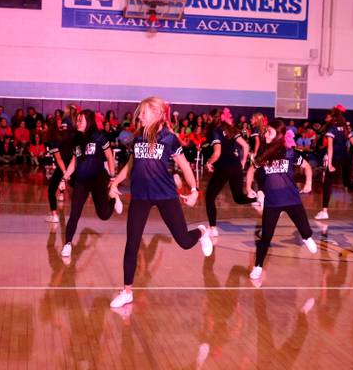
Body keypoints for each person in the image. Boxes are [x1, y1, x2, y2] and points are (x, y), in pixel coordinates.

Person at [108, 97, 213, 308]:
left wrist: (194, 190)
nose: (139, 116)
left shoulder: (169, 138)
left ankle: (202, 232)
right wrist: (115, 182)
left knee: (184, 241)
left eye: (144, 113)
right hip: (140, 196)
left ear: (157, 114)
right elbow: (130, 165)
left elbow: (184, 166)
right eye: (139, 113)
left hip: (165, 195)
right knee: (132, 243)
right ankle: (127, 291)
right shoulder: (137, 138)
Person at [247, 120, 317, 282]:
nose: (265, 134)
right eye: (266, 132)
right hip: (272, 202)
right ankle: (257, 266)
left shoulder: (290, 153)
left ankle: (307, 237)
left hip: (292, 199)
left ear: (279, 135)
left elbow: (307, 166)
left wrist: (308, 183)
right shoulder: (263, 154)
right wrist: (249, 187)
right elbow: (251, 170)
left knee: (306, 231)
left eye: (269, 132)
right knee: (266, 237)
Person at [60, 109, 121, 258]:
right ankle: (67, 243)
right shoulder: (76, 139)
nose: (78, 122)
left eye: (81, 120)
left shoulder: (99, 136)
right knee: (74, 213)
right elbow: (74, 161)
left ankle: (113, 197)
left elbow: (109, 156)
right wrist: (64, 178)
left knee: (104, 215)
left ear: (89, 121)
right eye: (77, 120)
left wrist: (112, 178)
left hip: (98, 179)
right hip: (82, 181)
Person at [315, 105, 353, 232]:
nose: (326, 117)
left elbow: (330, 148)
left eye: (328, 115)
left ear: (332, 117)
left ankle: (324, 211)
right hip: (346, 159)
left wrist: (330, 164)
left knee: (327, 184)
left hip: (336, 159)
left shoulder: (331, 129)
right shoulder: (346, 129)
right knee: (348, 182)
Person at [203, 108, 258, 237]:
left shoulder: (214, 131)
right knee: (238, 198)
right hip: (236, 166)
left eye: (209, 118)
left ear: (213, 118)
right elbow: (245, 146)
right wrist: (243, 162)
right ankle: (258, 199)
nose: (207, 120)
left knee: (209, 197)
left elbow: (217, 153)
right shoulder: (230, 129)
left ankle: (213, 229)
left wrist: (209, 163)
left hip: (223, 167)